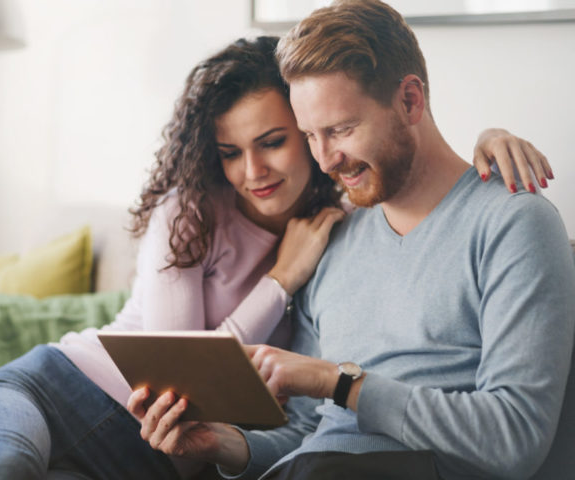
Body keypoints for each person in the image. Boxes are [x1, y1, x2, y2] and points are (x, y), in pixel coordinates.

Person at [0, 32, 551, 479]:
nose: (252, 170)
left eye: (282, 140)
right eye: (232, 151)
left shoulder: (344, 219)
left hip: (162, 449)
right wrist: (282, 282)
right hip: (59, 388)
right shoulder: (200, 215)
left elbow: (413, 165)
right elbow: (189, 379)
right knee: (4, 465)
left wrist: (490, 144)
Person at [128, 2, 575, 480]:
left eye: (341, 130)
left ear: (409, 101)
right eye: (309, 136)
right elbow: (307, 431)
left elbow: (515, 439)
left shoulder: (512, 224)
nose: (324, 160)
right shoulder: (335, 237)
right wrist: (223, 443)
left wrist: (339, 383)